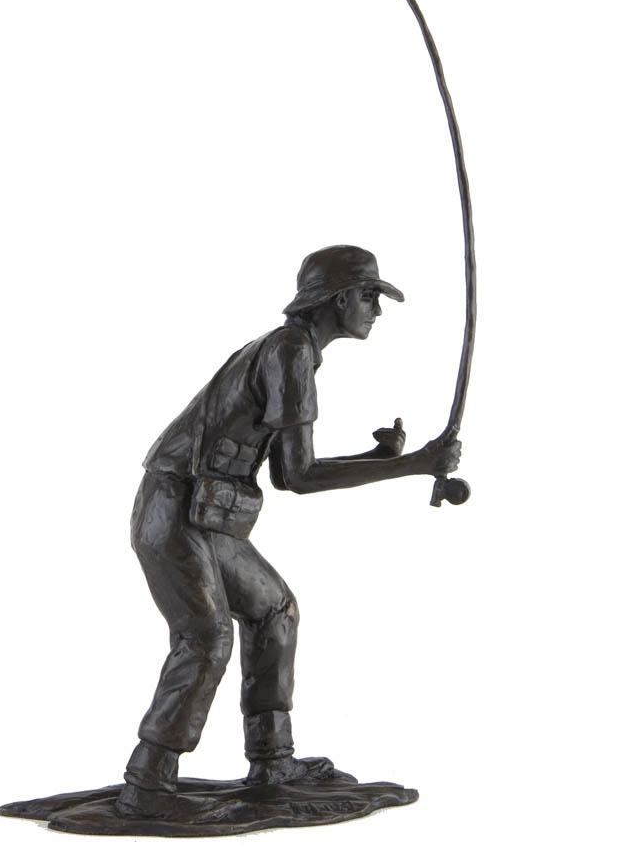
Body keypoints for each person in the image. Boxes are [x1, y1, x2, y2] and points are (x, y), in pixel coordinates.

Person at [117, 245, 461, 817]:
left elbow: (284, 472)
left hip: (205, 513)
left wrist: (379, 460)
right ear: (339, 299)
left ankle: (272, 759)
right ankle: (148, 783)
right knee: (206, 638)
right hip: (174, 508)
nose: (377, 310)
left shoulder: (290, 351)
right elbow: (301, 477)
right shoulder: (290, 351)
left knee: (274, 610)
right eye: (370, 296)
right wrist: (415, 464)